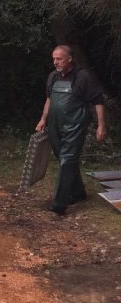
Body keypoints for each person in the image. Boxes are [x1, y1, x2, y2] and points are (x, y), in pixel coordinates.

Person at [36, 45, 106, 216]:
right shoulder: (53, 77)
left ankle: (59, 204)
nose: (55, 62)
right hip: (55, 125)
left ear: (69, 59)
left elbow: (98, 101)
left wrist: (101, 125)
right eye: (54, 59)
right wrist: (43, 119)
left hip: (75, 126)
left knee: (67, 160)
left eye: (59, 59)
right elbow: (49, 100)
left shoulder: (82, 77)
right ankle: (78, 192)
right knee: (64, 159)